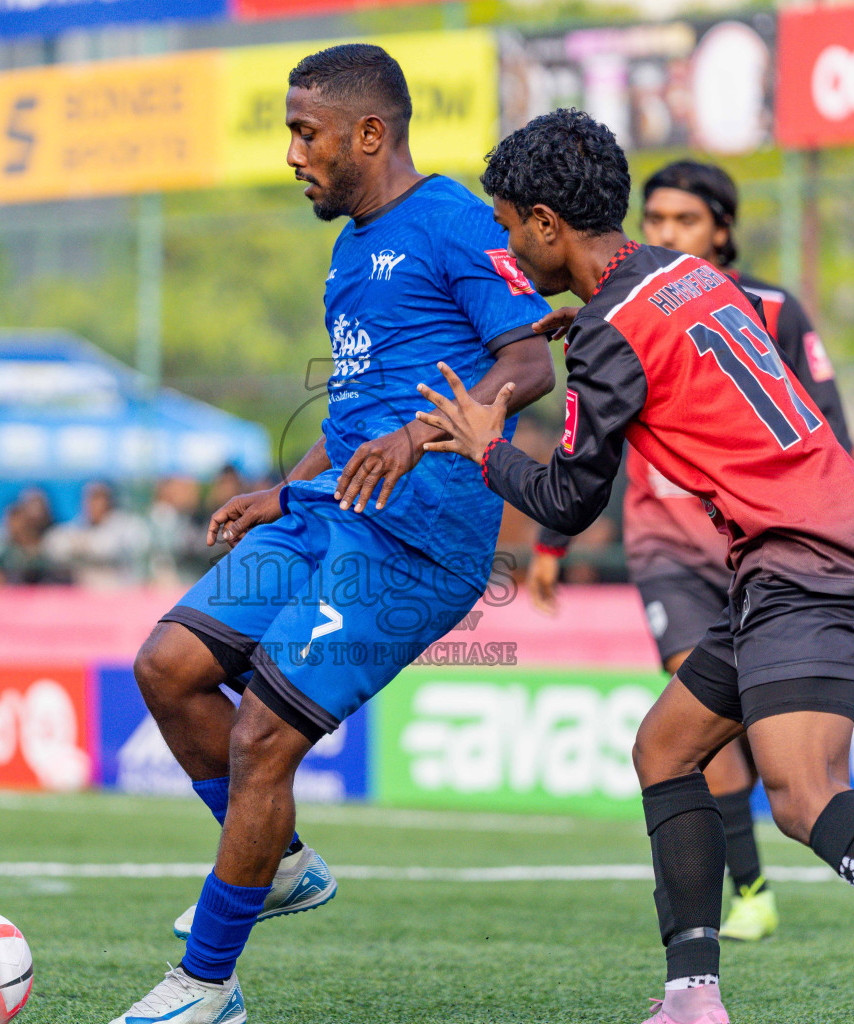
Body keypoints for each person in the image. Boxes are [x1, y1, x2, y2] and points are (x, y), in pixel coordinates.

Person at [417, 109, 854, 1024]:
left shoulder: (609, 331)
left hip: (804, 556)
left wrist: (487, 448)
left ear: (547, 224)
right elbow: (654, 337)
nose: (507, 244)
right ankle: (692, 997)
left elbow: (566, 500)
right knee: (665, 749)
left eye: (509, 224)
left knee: (803, 794)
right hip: (800, 545)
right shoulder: (682, 273)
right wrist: (590, 326)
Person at [112, 43, 555, 1024]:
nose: (292, 154)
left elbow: (529, 364)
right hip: (327, 511)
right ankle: (279, 863)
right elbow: (357, 411)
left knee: (264, 735)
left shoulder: (451, 220)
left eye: (305, 133)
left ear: (369, 133)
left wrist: (419, 437)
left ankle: (206, 986)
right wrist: (287, 487)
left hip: (417, 542)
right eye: (290, 133)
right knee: (168, 666)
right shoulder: (351, 250)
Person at [528, 159, 854, 942]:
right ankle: (750, 891)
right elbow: (592, 441)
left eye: (686, 220)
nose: (668, 232)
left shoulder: (769, 309)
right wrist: (552, 543)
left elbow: (828, 428)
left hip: (763, 547)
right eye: (658, 219)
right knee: (691, 720)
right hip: (667, 548)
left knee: (764, 744)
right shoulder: (619, 311)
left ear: (722, 230)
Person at [44, 480, 152, 589]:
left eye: (98, 498)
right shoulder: (78, 526)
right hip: (84, 591)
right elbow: (54, 546)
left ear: (109, 500)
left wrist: (82, 545)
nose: (93, 504)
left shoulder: (125, 525)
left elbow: (113, 548)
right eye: (89, 498)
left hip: (118, 590)